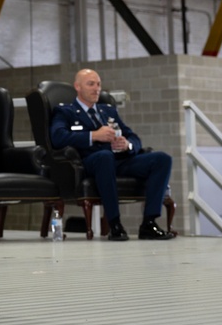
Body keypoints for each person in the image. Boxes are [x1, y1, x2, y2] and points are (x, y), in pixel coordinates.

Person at [49, 68, 175, 241]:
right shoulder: (66, 112)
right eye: (91, 84)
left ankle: (149, 223)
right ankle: (114, 224)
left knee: (162, 159)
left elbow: (133, 137)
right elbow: (58, 138)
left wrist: (127, 144)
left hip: (119, 160)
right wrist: (94, 136)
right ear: (77, 87)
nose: (96, 89)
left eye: (99, 84)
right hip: (90, 161)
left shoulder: (108, 111)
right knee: (104, 157)